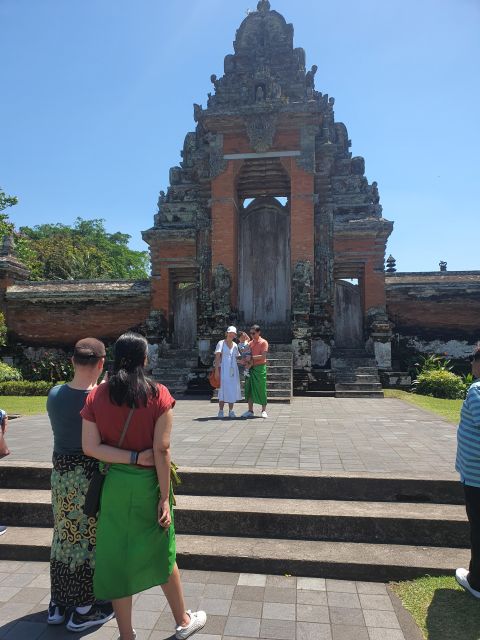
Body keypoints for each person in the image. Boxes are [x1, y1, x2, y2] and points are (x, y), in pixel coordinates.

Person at [82, 331, 206, 640]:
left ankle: (126, 635)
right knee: (162, 552)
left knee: (117, 556)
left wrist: (131, 457)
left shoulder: (96, 395)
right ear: (144, 360)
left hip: (114, 486)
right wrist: (164, 497)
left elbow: (91, 447)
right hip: (150, 486)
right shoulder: (158, 394)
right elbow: (162, 451)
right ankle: (182, 620)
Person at [46, 338, 115, 631]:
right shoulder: (98, 398)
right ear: (101, 363)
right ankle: (84, 607)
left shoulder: (54, 394)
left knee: (63, 533)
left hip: (61, 476)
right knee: (87, 539)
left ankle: (59, 603)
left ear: (72, 361)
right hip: (88, 477)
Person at [455, 346, 480, 598]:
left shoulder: (477, 389)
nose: (471, 364)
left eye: (472, 359)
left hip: (476, 475)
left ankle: (477, 581)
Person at [241, 324, 269, 419]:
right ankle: (250, 410)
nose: (252, 335)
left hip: (260, 367)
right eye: (251, 333)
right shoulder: (250, 343)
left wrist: (251, 357)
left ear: (258, 332)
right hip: (250, 367)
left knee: (261, 388)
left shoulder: (263, 342)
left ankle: (264, 410)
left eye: (254, 333)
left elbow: (263, 356)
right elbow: (245, 352)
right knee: (249, 388)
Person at [214, 326, 242, 419]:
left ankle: (231, 411)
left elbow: (237, 358)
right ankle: (221, 411)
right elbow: (217, 357)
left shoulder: (235, 345)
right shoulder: (221, 343)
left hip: (233, 370)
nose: (231, 334)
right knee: (223, 389)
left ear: (235, 335)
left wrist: (245, 361)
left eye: (233, 333)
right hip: (224, 369)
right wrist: (216, 370)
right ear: (227, 333)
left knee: (232, 389)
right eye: (230, 332)